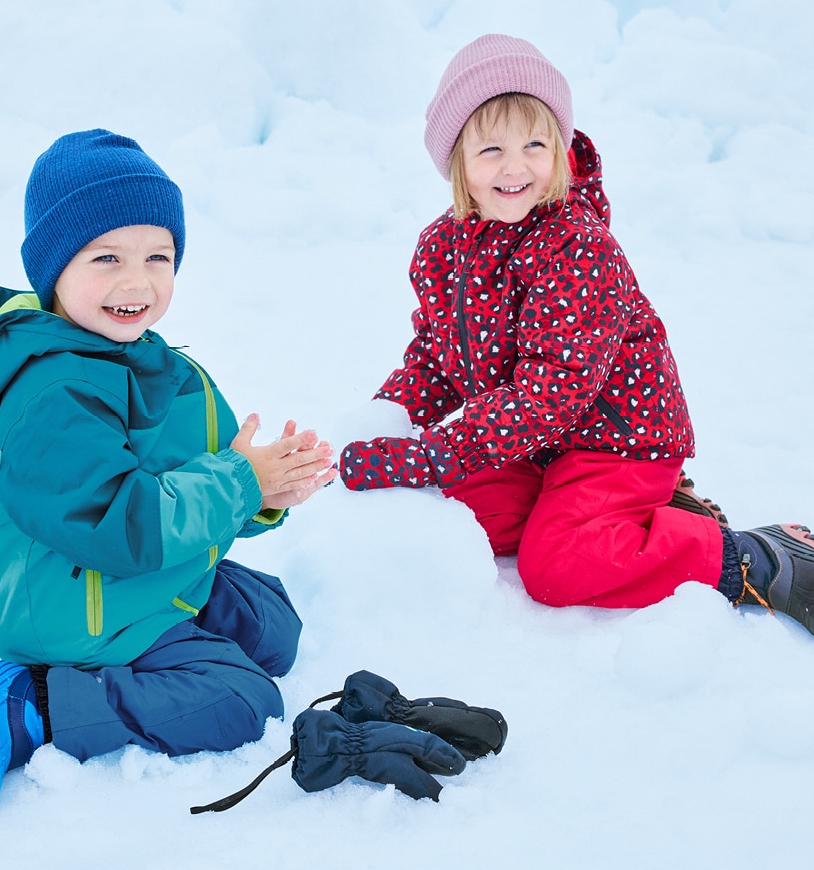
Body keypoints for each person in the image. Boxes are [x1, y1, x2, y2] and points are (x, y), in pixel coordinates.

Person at [339, 34, 814, 631]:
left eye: (535, 144)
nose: (515, 167)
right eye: (491, 149)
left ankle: (753, 557)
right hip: (533, 445)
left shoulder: (578, 247)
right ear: (456, 159)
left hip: (617, 440)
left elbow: (552, 393)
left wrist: (432, 454)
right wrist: (385, 419)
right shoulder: (442, 248)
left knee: (555, 565)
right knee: (455, 515)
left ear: (560, 151)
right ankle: (630, 517)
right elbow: (436, 360)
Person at [0, 129, 336, 807]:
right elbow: (118, 520)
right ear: (53, 270)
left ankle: (125, 650)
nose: (136, 281)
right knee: (244, 698)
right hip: (72, 598)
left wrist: (268, 483)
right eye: (106, 257)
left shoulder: (147, 361)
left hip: (109, 573)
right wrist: (240, 485)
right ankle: (32, 702)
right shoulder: (52, 395)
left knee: (272, 627)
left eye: (158, 256)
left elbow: (209, 465)